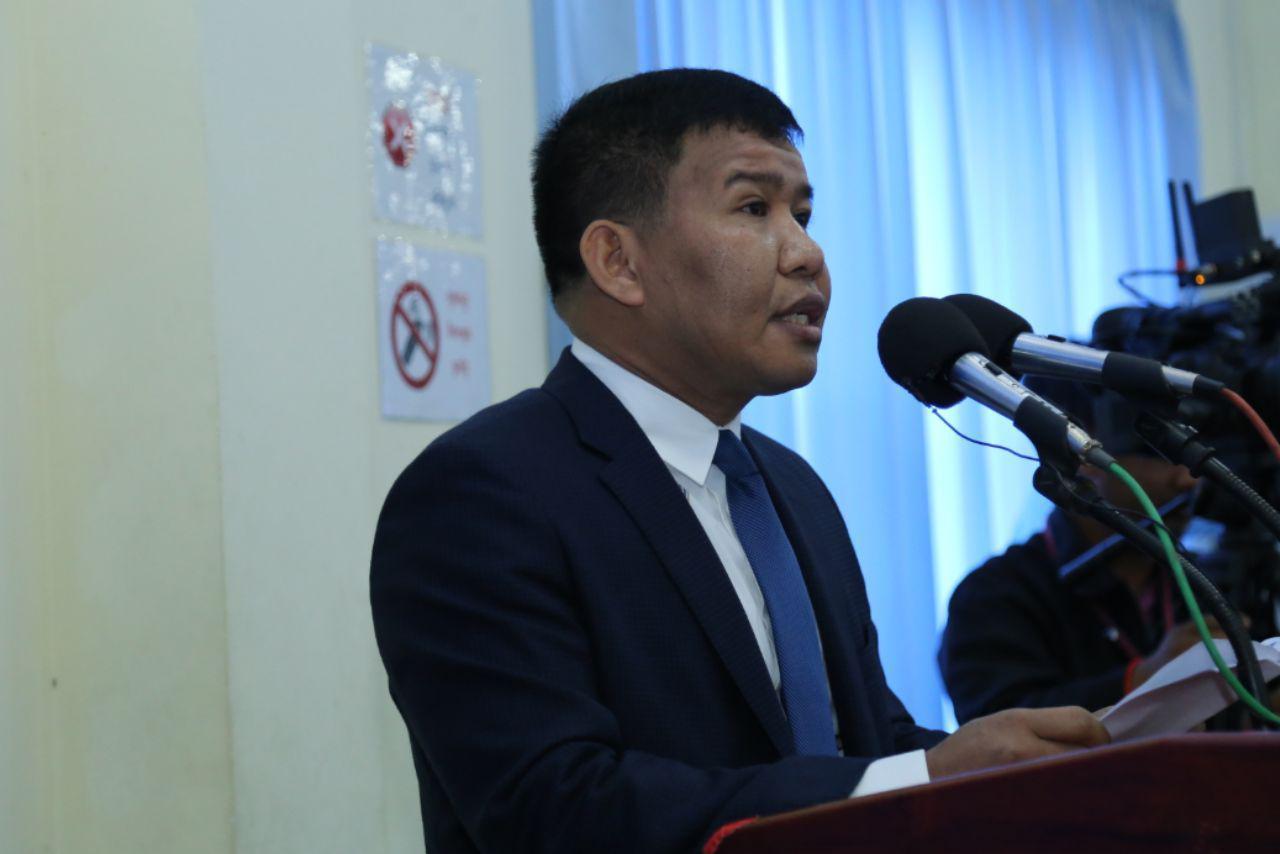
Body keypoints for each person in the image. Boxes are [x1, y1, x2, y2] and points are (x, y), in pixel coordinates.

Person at [371, 68, 1109, 854]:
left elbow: (859, 745)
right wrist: (925, 777)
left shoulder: (790, 487)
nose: (807, 253)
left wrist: (1021, 768)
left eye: (805, 215)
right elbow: (555, 810)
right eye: (755, 208)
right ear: (618, 262)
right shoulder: (482, 494)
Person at [938, 383, 1218, 724]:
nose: (1189, 480)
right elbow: (993, 734)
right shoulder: (993, 596)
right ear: (1085, 457)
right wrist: (1144, 681)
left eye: (1191, 456)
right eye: (1161, 456)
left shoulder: (1206, 575)